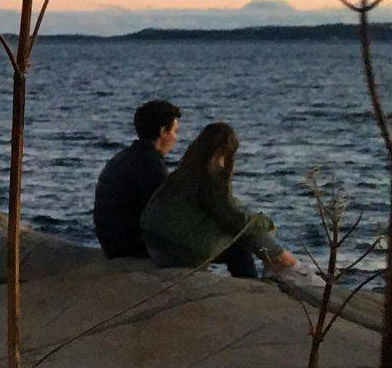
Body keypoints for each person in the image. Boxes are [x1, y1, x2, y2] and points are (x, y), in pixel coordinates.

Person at [139, 120, 297, 279]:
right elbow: (235, 220)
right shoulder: (212, 175)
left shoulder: (182, 172)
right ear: (225, 151)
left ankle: (272, 265)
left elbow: (228, 207)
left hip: (155, 246)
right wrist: (265, 223)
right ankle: (285, 262)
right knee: (244, 233)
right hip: (179, 253)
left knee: (243, 227)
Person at [92, 98, 180, 259]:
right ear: (162, 132)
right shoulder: (152, 167)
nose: (175, 137)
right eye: (174, 131)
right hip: (132, 249)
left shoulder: (121, 158)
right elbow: (166, 218)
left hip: (111, 244)